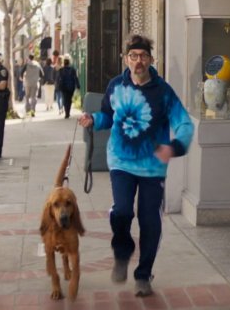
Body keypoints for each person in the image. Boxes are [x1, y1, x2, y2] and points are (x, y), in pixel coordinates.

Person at [79, 35, 194, 297]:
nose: (138, 61)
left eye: (143, 56)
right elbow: (107, 115)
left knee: (150, 221)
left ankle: (143, 275)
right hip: (121, 161)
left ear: (151, 59)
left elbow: (184, 123)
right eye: (133, 56)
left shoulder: (163, 92)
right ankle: (122, 251)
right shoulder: (115, 86)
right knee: (120, 212)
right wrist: (92, 120)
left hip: (153, 167)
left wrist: (175, 147)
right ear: (126, 59)